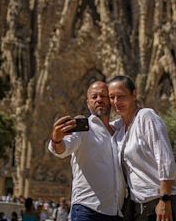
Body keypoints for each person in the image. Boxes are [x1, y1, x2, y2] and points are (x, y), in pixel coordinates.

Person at [108, 75, 176, 221]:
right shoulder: (120, 130)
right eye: (112, 97)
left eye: (121, 96)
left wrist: (164, 199)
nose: (116, 102)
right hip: (143, 204)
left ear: (134, 94)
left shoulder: (146, 117)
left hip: (169, 199)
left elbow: (165, 159)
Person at [48, 80, 125, 221]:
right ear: (88, 103)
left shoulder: (120, 132)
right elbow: (63, 149)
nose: (99, 99)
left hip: (116, 212)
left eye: (103, 96)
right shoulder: (82, 128)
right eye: (94, 97)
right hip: (88, 210)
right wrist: (56, 139)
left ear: (111, 100)